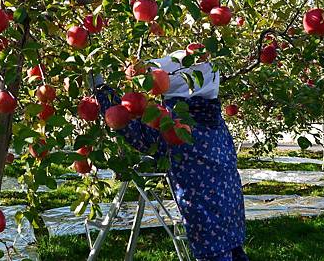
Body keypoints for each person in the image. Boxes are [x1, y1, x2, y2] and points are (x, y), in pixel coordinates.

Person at [93, 50, 249, 261]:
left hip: (205, 220)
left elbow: (129, 127)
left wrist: (100, 88)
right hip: (231, 211)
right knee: (235, 253)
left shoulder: (171, 123)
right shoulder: (214, 120)